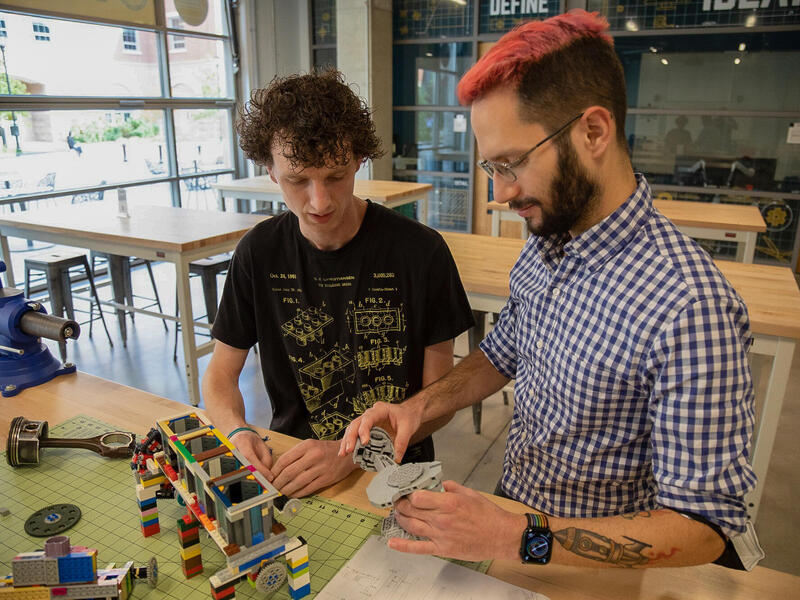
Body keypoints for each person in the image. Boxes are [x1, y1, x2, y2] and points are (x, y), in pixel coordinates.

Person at [341, 10, 756, 569]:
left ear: (593, 132)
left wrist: (516, 536)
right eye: (492, 167)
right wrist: (417, 407)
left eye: (512, 163)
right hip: (515, 516)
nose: (503, 192)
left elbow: (704, 526)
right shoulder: (548, 239)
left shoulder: (689, 307)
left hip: (590, 569)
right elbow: (505, 351)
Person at [203, 70, 474, 499]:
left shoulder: (420, 252)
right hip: (297, 466)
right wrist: (237, 431)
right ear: (269, 170)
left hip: (399, 473)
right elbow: (220, 375)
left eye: (335, 175)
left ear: (359, 160)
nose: (320, 201)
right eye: (297, 179)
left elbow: (439, 401)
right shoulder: (259, 253)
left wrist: (350, 453)